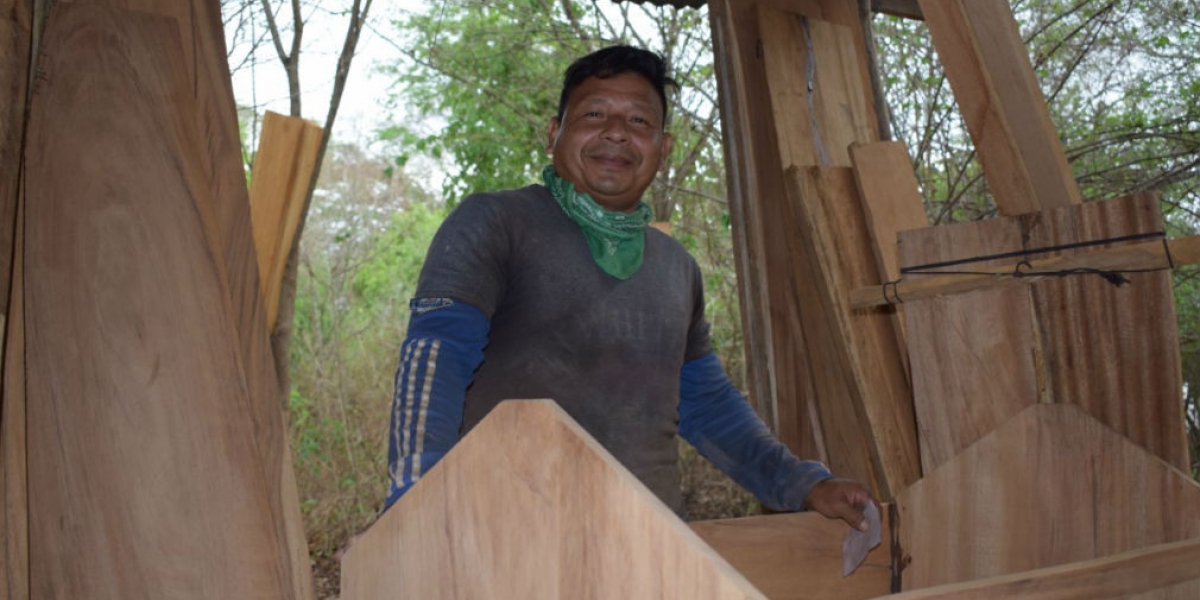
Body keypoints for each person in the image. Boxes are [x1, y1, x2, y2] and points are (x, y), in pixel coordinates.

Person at [385, 44, 874, 530]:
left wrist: (801, 483)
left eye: (639, 121)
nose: (616, 132)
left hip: (648, 545)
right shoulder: (497, 222)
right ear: (554, 133)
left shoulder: (676, 267)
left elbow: (706, 404)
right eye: (594, 113)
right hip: (508, 541)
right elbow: (435, 359)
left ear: (663, 148)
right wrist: (413, 503)